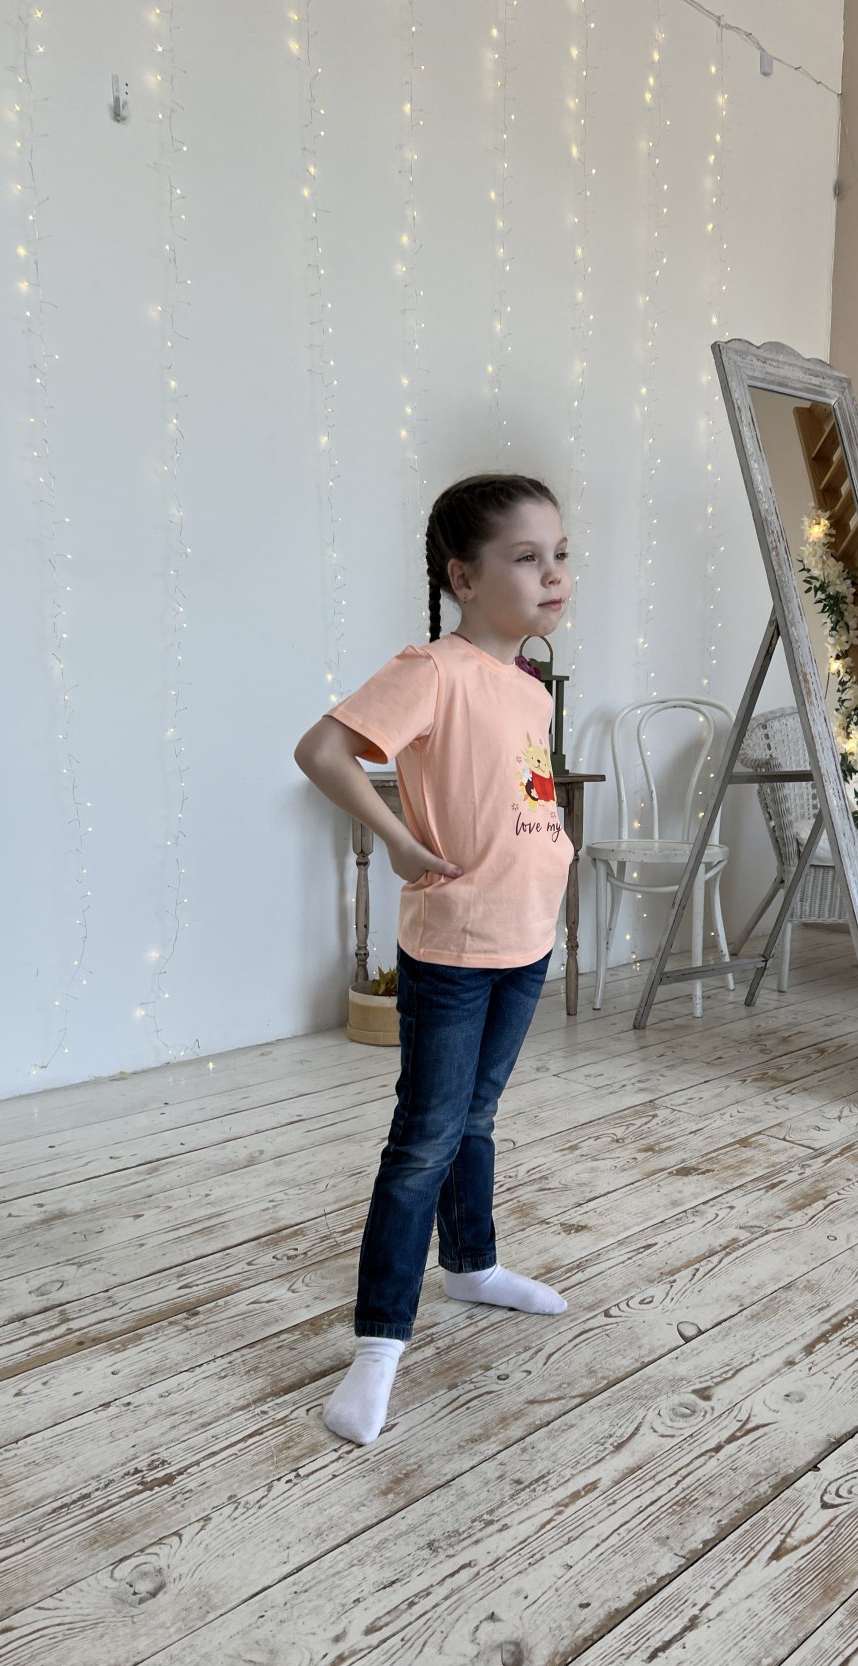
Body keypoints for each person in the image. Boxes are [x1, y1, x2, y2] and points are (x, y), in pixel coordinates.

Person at [293, 473, 575, 1445]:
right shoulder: (434, 669)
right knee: (423, 1138)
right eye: (526, 557)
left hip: (527, 936)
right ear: (463, 577)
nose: (553, 573)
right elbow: (323, 751)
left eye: (560, 554)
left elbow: (522, 792)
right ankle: (378, 1343)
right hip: (453, 946)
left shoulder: (527, 686)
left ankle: (473, 1264)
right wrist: (401, 842)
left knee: (478, 1117)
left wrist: (552, 853)